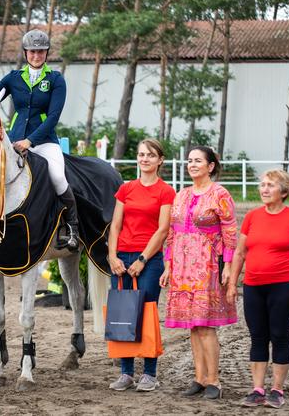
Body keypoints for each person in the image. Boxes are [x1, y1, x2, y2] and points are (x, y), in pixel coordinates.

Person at [0, 28, 79, 250]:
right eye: (32, 52)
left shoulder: (56, 79)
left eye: (41, 52)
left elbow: (54, 116)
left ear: (46, 53)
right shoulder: (14, 78)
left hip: (45, 140)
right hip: (14, 140)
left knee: (58, 177)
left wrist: (31, 141)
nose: (36, 56)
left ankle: (72, 227)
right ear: (25, 52)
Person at [225, 169, 289, 409]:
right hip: (253, 286)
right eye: (262, 185)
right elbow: (240, 253)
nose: (264, 189)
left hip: (284, 286)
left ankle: (277, 390)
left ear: (283, 191)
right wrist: (233, 283)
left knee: (279, 336)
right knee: (257, 337)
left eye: (270, 185)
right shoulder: (253, 217)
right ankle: (257, 389)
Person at [159, 146, 238, 400]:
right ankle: (199, 377)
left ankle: (214, 380)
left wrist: (228, 266)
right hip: (182, 266)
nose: (192, 165)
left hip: (208, 265)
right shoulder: (181, 195)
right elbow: (171, 233)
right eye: (189, 161)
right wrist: (168, 265)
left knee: (206, 326)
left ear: (210, 166)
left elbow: (230, 233)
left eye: (197, 161)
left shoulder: (220, 194)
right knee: (192, 326)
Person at [107, 139, 175, 392]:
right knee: (123, 314)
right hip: (121, 258)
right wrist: (112, 256)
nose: (144, 159)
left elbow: (163, 229)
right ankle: (126, 373)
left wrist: (143, 259)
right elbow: (115, 225)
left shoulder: (165, 192)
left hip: (149, 259)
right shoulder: (126, 189)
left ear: (160, 160)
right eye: (141, 154)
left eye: (150, 155)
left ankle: (149, 373)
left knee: (146, 313)